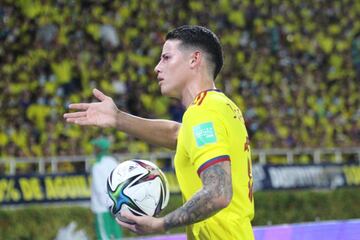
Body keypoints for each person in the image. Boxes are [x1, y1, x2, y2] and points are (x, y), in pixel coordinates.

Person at [64, 25, 254, 240]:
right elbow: (177, 134)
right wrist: (118, 118)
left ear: (194, 59)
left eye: (166, 57)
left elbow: (219, 193)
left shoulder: (203, 112)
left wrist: (161, 224)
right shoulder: (221, 106)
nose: (157, 67)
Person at [90, 137, 122, 240]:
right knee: (116, 235)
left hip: (102, 208)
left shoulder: (97, 166)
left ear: (99, 149)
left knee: (104, 236)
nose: (93, 149)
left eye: (95, 147)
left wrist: (108, 205)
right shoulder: (114, 162)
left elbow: (99, 190)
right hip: (115, 206)